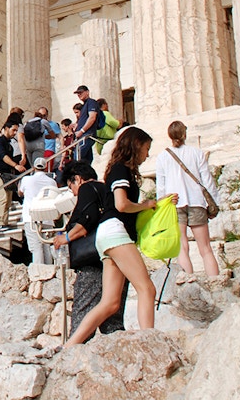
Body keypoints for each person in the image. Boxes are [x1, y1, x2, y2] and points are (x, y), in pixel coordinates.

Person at [65, 127, 177, 345]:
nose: (147, 155)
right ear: (136, 146)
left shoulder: (117, 170)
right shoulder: (120, 170)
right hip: (116, 232)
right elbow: (121, 204)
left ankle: (70, 346)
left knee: (110, 303)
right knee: (147, 288)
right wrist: (146, 205)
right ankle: (150, 341)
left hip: (107, 235)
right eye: (146, 149)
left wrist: (157, 205)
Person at [52, 162, 127, 341]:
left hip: (92, 261)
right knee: (113, 319)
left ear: (77, 179)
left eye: (71, 187)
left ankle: (74, 353)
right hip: (117, 257)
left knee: (83, 310)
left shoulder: (87, 188)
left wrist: (66, 238)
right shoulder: (107, 190)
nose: (73, 192)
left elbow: (88, 218)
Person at [155, 121, 221, 276]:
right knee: (205, 248)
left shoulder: (163, 157)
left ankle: (187, 281)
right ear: (184, 134)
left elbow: (161, 186)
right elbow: (207, 181)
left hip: (174, 203)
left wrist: (160, 206)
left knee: (182, 247)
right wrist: (214, 203)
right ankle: (215, 282)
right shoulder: (197, 153)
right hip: (196, 201)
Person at [18, 157, 58, 264]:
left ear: (34, 167)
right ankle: (49, 270)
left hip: (31, 217)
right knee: (46, 247)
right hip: (47, 218)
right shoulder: (52, 182)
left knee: (36, 247)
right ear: (45, 168)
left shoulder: (26, 179)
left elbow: (20, 193)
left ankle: (39, 272)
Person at [0, 120, 24, 227]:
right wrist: (16, 165)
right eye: (13, 130)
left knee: (8, 200)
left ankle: (4, 222)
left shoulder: (10, 145)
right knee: (2, 196)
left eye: (16, 131)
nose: (15, 133)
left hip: (6, 174)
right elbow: (4, 157)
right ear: (6, 129)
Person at [73, 85, 102, 164]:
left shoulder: (91, 102)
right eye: (77, 93)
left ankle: (76, 175)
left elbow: (92, 117)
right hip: (83, 135)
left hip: (86, 135)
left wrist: (81, 131)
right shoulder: (84, 105)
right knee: (86, 160)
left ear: (87, 92)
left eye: (81, 92)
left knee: (78, 158)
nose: (79, 95)